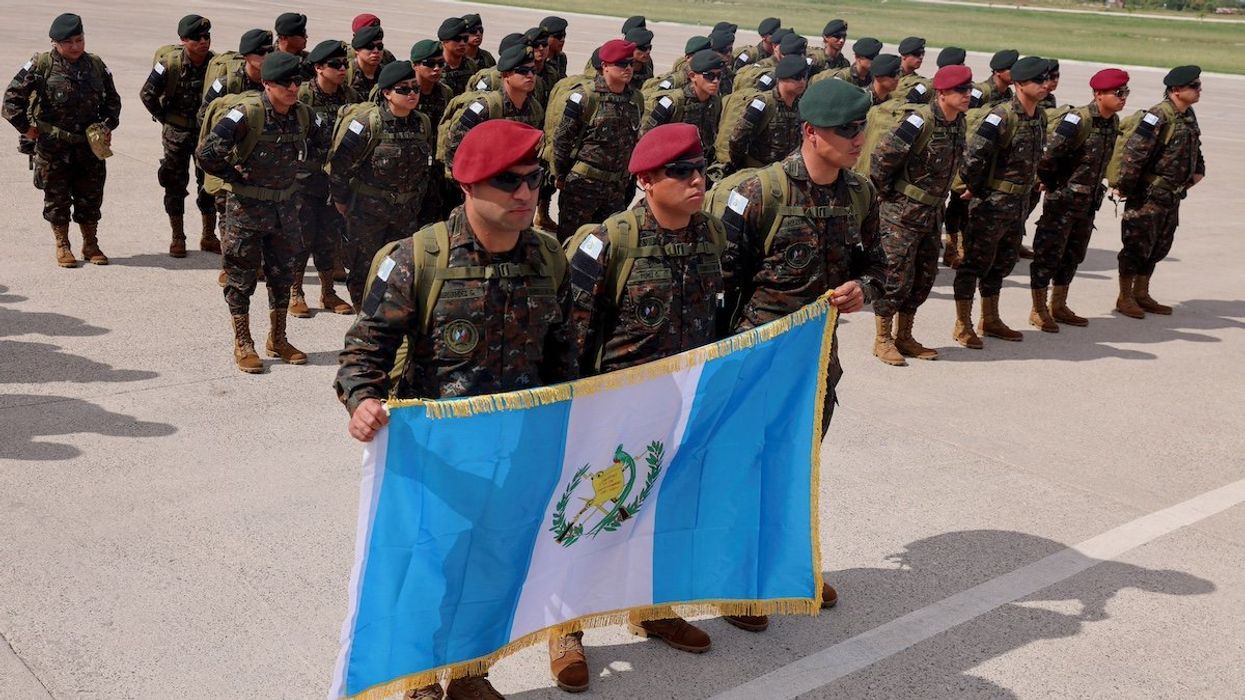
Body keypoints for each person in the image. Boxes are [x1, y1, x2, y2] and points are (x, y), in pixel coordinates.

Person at [335, 122, 576, 700]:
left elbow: (564, 352)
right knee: (428, 570)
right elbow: (364, 350)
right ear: (468, 186)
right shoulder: (417, 258)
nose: (525, 194)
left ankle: (469, 671)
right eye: (508, 182)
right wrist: (362, 400)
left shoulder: (547, 257)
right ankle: (418, 680)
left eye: (533, 180)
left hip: (515, 449)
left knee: (493, 563)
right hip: (435, 459)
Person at [553, 123, 720, 693]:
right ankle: (565, 626)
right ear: (647, 181)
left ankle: (653, 607)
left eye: (699, 169)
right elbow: (571, 337)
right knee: (589, 514)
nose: (696, 180)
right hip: (609, 410)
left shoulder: (712, 235)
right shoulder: (606, 243)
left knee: (663, 510)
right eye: (680, 172)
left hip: (677, 405)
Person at [716, 78, 881, 623]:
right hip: (757, 360)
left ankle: (785, 567)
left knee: (796, 467)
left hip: (816, 362)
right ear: (811, 132)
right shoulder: (758, 193)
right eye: (846, 129)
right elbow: (722, 281)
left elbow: (876, 263)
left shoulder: (860, 194)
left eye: (861, 127)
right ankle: (737, 580)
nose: (859, 137)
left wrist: (864, 290)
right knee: (745, 470)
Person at [196, 52, 319, 373]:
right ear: (266, 83)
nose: (293, 87)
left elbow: (323, 144)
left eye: (297, 81)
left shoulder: (303, 115)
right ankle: (243, 342)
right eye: (285, 82)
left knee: (282, 274)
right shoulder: (246, 114)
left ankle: (278, 338)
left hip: (285, 209)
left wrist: (299, 174)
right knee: (240, 278)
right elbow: (207, 154)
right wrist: (233, 176)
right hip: (246, 211)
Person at [867, 65, 971, 365]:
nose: (967, 96)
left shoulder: (959, 123)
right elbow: (882, 160)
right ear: (942, 94)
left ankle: (905, 335)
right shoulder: (917, 122)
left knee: (924, 276)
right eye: (960, 91)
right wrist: (889, 197)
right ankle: (883, 338)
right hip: (902, 212)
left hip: (933, 211)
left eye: (968, 89)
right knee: (895, 275)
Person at [3, 13, 121, 267]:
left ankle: (91, 244)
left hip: (89, 147)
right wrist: (27, 129)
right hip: (53, 147)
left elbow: (113, 102)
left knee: (90, 197)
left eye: (79, 40)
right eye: (69, 42)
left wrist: (108, 125)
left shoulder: (96, 65)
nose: (76, 47)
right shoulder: (40, 64)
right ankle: (62, 244)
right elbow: (11, 100)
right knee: (56, 198)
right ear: (55, 42)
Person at [951, 56, 1049, 348]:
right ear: (1019, 84)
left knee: (1002, 262)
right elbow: (973, 157)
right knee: (974, 264)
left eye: (1045, 80)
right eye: (1038, 81)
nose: (1045, 85)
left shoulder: (1039, 117)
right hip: (991, 203)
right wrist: (975, 189)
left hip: (1018, 203)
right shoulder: (1000, 116)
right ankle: (963, 323)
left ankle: (990, 318)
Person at [328, 61, 434, 308]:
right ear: (386, 93)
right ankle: (363, 319)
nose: (411, 94)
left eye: (415, 89)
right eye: (403, 90)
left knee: (398, 270)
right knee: (363, 270)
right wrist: (342, 201)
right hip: (367, 215)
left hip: (405, 214)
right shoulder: (367, 124)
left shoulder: (422, 123)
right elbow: (340, 167)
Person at [1028, 68, 1128, 330]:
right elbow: (1048, 157)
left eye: (1125, 92)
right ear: (1098, 94)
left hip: (1087, 204)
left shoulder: (1112, 122)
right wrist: (1052, 186)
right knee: (1048, 255)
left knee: (1073, 255)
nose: (1123, 97)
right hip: (1063, 201)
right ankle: (1038, 309)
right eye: (1118, 93)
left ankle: (1058, 305)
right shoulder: (1077, 120)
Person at [1113, 65, 1204, 318]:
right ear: (1176, 90)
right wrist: (1126, 187)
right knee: (1136, 246)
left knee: (1158, 246)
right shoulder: (1157, 116)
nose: (1199, 90)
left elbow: (1195, 144)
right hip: (1149, 195)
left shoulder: (1187, 115)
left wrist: (1199, 170)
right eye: (1194, 86)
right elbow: (1135, 153)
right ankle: (1125, 296)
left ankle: (1142, 294)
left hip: (1171, 195)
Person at [139, 14, 218, 257]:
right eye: (197, 38)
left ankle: (208, 236)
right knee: (175, 183)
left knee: (209, 184)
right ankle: (178, 237)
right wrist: (166, 118)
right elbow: (147, 94)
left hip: (205, 133)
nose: (203, 42)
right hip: (177, 132)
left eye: (206, 37)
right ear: (184, 40)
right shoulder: (169, 63)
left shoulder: (216, 65)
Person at [551, 39, 643, 242]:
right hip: (583, 186)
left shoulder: (635, 99)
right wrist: (559, 174)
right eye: (621, 64)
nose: (628, 68)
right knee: (571, 242)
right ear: (605, 66)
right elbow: (562, 138)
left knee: (606, 245)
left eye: (630, 63)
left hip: (616, 189)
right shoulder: (585, 97)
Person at [290, 39, 357, 319]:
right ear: (318, 67)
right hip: (304, 180)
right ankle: (296, 292)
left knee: (329, 238)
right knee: (301, 237)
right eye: (335, 65)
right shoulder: (302, 95)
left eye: (345, 64)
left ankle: (328, 291)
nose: (342, 69)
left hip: (336, 179)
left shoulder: (351, 96)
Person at [444, 46, 545, 174]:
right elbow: (455, 144)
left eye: (533, 70)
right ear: (506, 75)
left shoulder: (535, 108)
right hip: (484, 181)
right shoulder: (485, 107)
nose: (530, 76)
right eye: (523, 71)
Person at [717, 55, 808, 174]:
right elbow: (737, 140)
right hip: (758, 172)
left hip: (785, 172)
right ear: (781, 78)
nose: (802, 81)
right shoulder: (763, 104)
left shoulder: (801, 105)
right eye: (796, 77)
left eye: (804, 76)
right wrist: (740, 166)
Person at [639, 49, 723, 170]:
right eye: (709, 76)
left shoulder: (716, 102)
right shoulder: (672, 102)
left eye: (719, 76)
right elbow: (646, 136)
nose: (716, 81)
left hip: (701, 169)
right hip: (674, 170)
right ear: (693, 76)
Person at [410, 40, 456, 225]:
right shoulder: (405, 92)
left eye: (440, 64)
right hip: (410, 168)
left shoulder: (445, 93)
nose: (437, 69)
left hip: (436, 168)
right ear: (415, 65)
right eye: (430, 64)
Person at [438, 18, 477, 96]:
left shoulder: (470, 64)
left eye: (465, 39)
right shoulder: (435, 66)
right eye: (457, 39)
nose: (462, 43)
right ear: (445, 41)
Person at [347, 24, 384, 96]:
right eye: (369, 46)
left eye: (380, 46)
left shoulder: (386, 74)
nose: (376, 51)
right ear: (357, 50)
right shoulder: (345, 74)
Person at [895, 37, 930, 104]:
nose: (921, 57)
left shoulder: (917, 80)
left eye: (923, 53)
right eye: (917, 54)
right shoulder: (890, 75)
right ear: (904, 56)